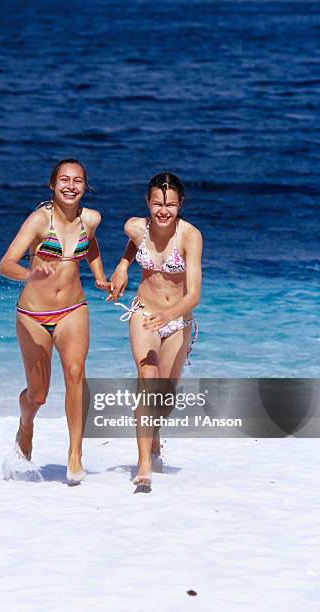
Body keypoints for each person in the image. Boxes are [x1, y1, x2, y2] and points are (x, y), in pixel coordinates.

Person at [0, 158, 109, 484]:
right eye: (64, 179)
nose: (71, 186)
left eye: (77, 180)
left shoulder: (91, 219)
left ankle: (75, 455)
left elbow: (91, 247)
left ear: (85, 186)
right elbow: (5, 264)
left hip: (74, 309)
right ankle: (26, 424)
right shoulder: (38, 221)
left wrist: (100, 276)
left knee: (76, 374)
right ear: (52, 184)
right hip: (33, 315)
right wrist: (30, 272)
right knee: (39, 394)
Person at [108, 172, 202, 487]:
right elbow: (135, 242)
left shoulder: (190, 236)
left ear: (180, 205)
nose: (164, 211)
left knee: (165, 397)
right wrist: (123, 265)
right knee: (147, 379)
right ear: (148, 202)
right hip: (144, 313)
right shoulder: (135, 227)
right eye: (158, 204)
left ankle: (155, 431)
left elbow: (194, 295)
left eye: (171, 205)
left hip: (178, 318)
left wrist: (169, 315)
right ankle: (144, 462)